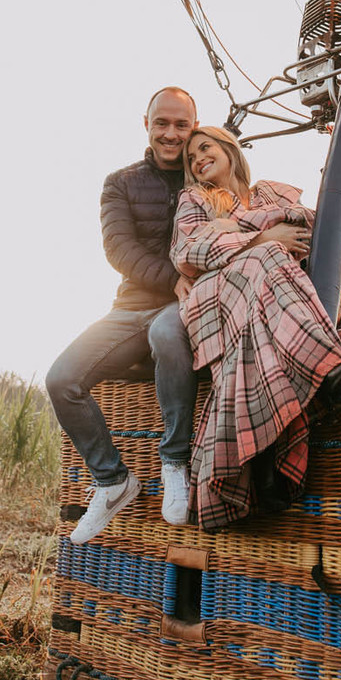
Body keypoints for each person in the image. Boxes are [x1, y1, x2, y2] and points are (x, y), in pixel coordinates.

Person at [172, 125, 341, 531]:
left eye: (205, 148)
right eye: (191, 157)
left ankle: (264, 471)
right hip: (215, 293)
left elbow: (312, 225)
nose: (198, 159)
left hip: (264, 293)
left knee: (259, 325)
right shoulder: (195, 198)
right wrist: (261, 235)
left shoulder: (269, 192)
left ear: (229, 148)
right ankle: (323, 368)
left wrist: (236, 226)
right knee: (268, 255)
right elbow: (188, 249)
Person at [46, 88, 200, 545]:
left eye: (182, 125)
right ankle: (112, 480)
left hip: (184, 307)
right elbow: (119, 249)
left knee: (168, 332)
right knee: (62, 379)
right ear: (146, 124)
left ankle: (174, 462)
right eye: (162, 123)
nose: (171, 133)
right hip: (131, 305)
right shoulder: (120, 182)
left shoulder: (206, 175)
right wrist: (172, 278)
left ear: (194, 127)